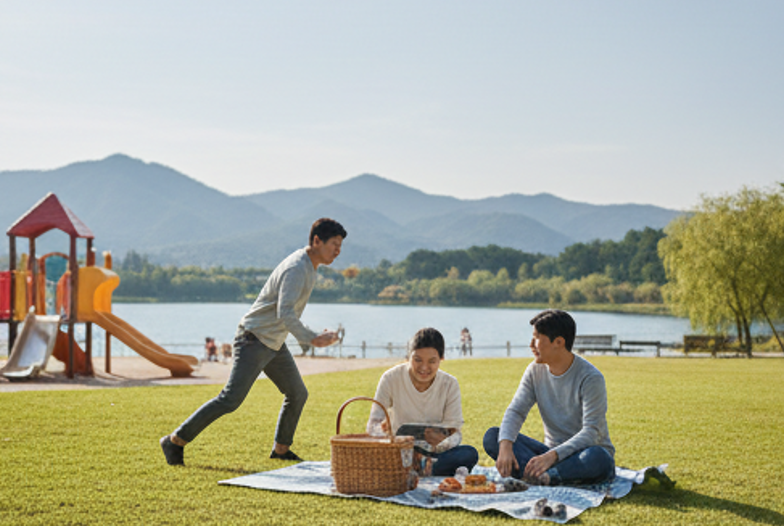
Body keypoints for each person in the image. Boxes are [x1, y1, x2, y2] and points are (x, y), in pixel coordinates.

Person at [160, 218, 347, 466]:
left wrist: (315, 336)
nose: (338, 250)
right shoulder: (296, 268)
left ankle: (281, 449)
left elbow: (286, 315)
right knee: (230, 399)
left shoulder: (310, 268)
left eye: (340, 245)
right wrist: (312, 338)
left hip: (273, 343)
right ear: (316, 241)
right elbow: (285, 313)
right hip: (254, 339)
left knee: (297, 393)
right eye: (334, 244)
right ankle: (174, 441)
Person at [483, 309, 615, 486]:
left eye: (536, 338)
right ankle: (548, 476)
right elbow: (516, 410)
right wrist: (505, 447)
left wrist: (552, 456)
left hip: (582, 454)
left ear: (558, 342)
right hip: (548, 454)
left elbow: (591, 432)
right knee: (495, 436)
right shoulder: (534, 371)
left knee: (599, 457)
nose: (531, 344)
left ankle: (545, 475)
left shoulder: (591, 378)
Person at [366, 327, 479, 476]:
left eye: (432, 361)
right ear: (408, 357)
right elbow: (372, 426)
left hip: (433, 455)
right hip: (398, 452)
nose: (424, 368)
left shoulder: (449, 384)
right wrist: (387, 435)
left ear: (441, 359)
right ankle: (422, 470)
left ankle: (418, 469)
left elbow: (455, 434)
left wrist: (442, 443)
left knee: (469, 454)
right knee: (376, 457)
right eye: (417, 360)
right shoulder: (391, 378)